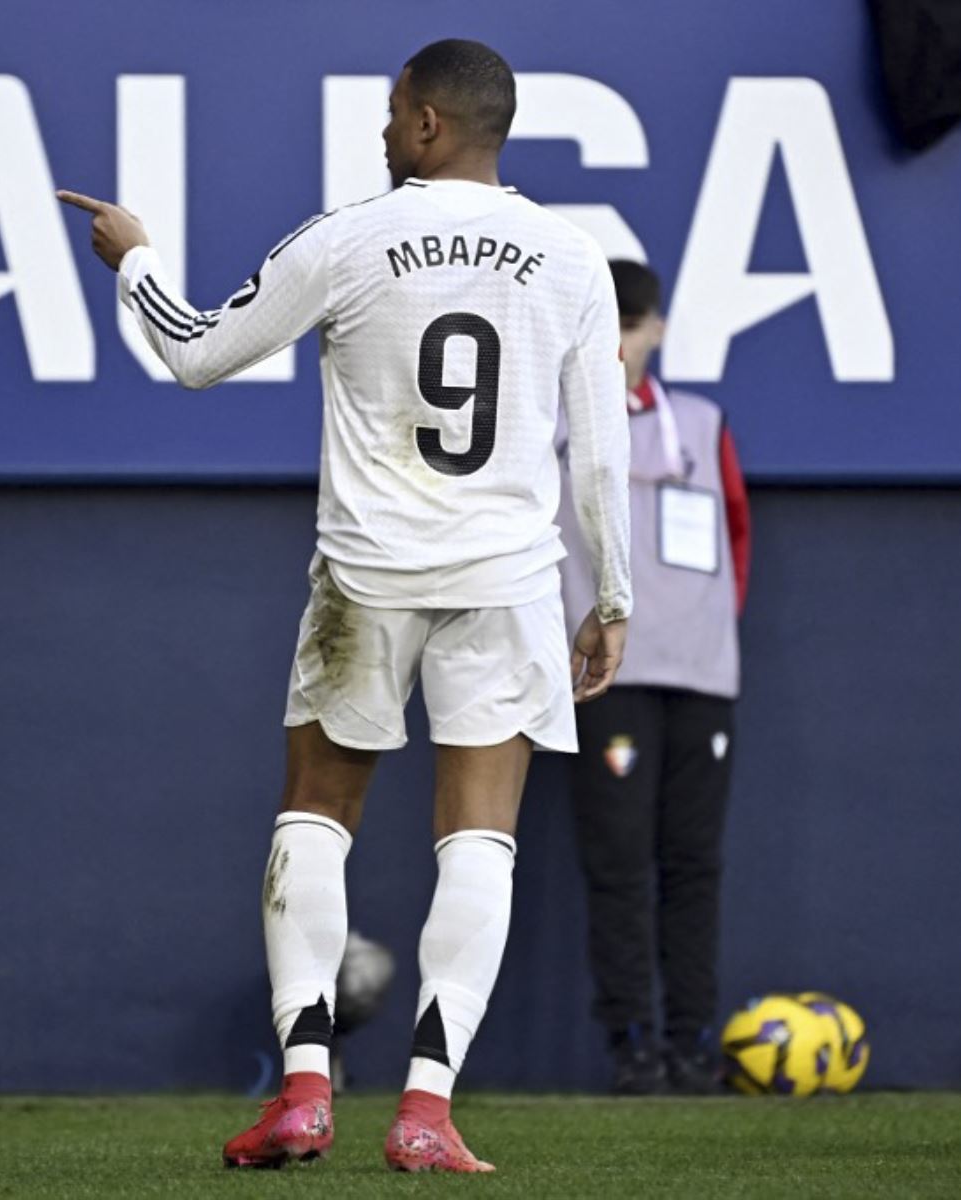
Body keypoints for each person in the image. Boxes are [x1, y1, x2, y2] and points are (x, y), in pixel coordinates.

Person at [60, 39, 631, 1173]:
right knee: (480, 838)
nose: (381, 130)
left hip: (366, 577)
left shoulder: (348, 238)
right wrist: (608, 593)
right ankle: (426, 1111)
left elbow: (195, 354)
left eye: (390, 112)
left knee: (316, 815)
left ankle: (306, 1092)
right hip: (508, 580)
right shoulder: (572, 258)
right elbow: (599, 455)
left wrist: (134, 261)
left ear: (426, 124)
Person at [555, 260, 751, 1095]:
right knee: (619, 863)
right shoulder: (551, 425)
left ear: (657, 331)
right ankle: (632, 1045)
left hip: (701, 677)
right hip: (608, 679)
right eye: (610, 328)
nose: (623, 347)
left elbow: (738, 536)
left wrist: (705, 626)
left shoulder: (701, 425)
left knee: (693, 863)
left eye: (633, 329)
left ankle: (689, 1042)